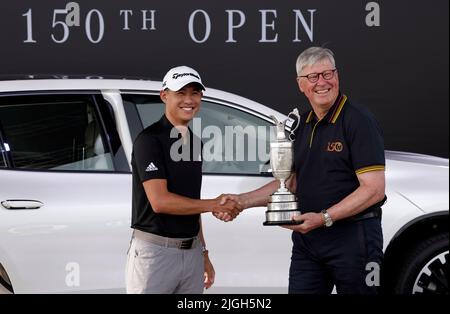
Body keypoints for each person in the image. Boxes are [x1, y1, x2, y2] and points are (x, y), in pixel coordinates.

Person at [218, 47, 386, 294]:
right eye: (313, 77)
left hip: (354, 240)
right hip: (309, 243)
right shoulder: (301, 125)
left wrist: (323, 217)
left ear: (337, 76)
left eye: (327, 74)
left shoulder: (359, 120)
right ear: (300, 84)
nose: (322, 83)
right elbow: (290, 183)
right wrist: (242, 201)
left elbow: (373, 189)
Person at [126, 65, 242, 294]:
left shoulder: (194, 142)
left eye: (195, 93)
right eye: (181, 93)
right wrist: (215, 204)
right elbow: (160, 202)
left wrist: (203, 253)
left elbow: (191, 203)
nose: (189, 100)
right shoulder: (148, 140)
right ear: (164, 95)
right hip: (154, 255)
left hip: (191, 255)